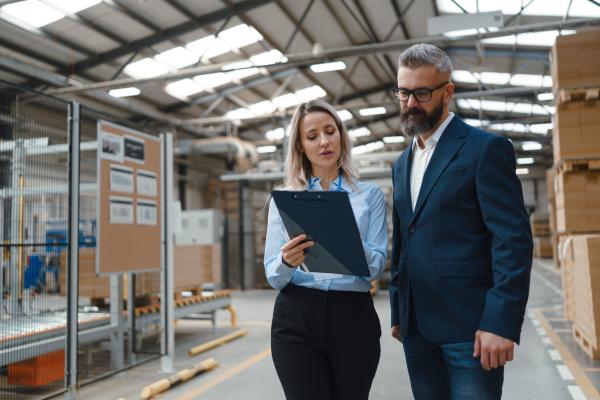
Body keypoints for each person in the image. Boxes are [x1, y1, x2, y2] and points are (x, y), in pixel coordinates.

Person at [388, 43, 533, 399]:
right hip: (416, 328)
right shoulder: (401, 163)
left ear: (448, 91)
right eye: (403, 92)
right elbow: (403, 237)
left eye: (421, 93)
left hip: (471, 329)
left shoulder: (485, 149)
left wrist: (501, 322)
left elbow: (512, 240)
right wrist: (398, 307)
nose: (410, 104)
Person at [264, 100, 388, 400]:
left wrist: (354, 247)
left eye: (330, 132)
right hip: (296, 316)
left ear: (341, 136)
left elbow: (377, 267)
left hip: (353, 317)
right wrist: (286, 261)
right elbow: (273, 276)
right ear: (300, 146)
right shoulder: (284, 199)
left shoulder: (369, 196)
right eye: (312, 136)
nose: (324, 141)